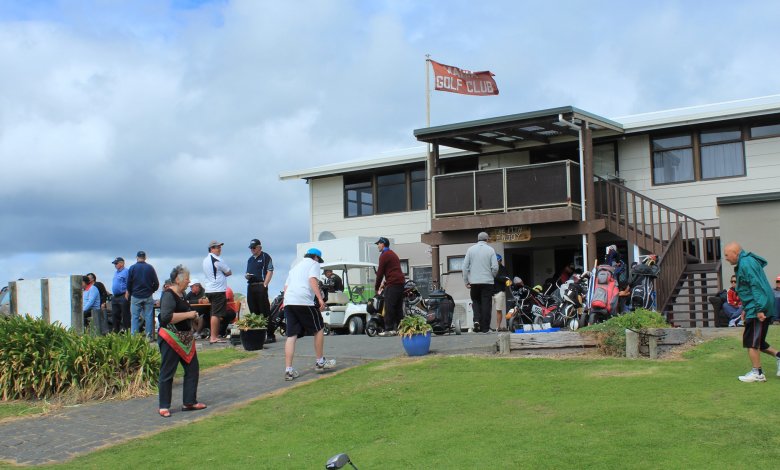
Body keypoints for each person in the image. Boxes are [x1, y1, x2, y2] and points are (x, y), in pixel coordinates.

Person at [723, 242, 780, 383]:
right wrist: (746, 309)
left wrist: (759, 309)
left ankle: (758, 373)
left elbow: (756, 286)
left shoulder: (746, 263)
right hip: (756, 306)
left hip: (758, 307)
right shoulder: (747, 262)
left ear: (735, 253)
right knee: (758, 340)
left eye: (726, 255)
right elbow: (748, 288)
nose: (726, 258)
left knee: (752, 342)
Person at [157, 265, 205, 418]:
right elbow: (166, 317)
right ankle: (164, 406)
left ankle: (189, 402)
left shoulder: (183, 295)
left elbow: (186, 314)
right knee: (167, 372)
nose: (189, 282)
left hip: (186, 338)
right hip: (170, 338)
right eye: (187, 279)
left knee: (192, 369)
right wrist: (188, 314)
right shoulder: (168, 295)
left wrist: (194, 317)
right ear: (177, 280)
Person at [282, 248, 336, 381]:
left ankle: (288, 370)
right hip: (303, 300)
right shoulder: (314, 264)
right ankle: (320, 362)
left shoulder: (295, 267)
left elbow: (286, 287)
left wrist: (285, 302)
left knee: (291, 335)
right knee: (319, 328)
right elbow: (312, 280)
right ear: (316, 258)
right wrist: (320, 298)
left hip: (289, 301)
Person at [463, 232, 498, 333]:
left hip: (474, 282)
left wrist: (466, 280)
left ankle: (476, 320)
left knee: (476, 301)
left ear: (478, 239)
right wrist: (492, 276)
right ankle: (485, 328)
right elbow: (495, 267)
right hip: (487, 282)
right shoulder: (491, 250)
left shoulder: (470, 249)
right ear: (487, 239)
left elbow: (464, 267)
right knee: (486, 304)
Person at [202, 240, 232, 344]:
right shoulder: (217, 259)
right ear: (211, 249)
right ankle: (213, 337)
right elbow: (229, 272)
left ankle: (214, 335)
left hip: (210, 289)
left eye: (220, 247)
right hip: (217, 290)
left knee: (214, 313)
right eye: (217, 247)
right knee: (216, 314)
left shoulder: (205, 260)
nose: (219, 249)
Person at [374, 237, 405, 336]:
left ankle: (389, 329)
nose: (377, 246)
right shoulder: (393, 254)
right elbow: (393, 270)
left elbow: (380, 273)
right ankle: (401, 328)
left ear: (383, 244)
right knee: (398, 307)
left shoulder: (384, 255)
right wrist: (385, 282)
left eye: (378, 244)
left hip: (393, 283)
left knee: (389, 306)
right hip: (400, 283)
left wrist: (377, 287)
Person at [245, 239, 275, 342]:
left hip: (260, 285)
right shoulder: (250, 260)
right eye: (251, 248)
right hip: (251, 286)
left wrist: (265, 284)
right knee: (254, 311)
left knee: (264, 311)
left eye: (254, 247)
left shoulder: (265, 256)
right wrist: (247, 276)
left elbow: (270, 271)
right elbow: (248, 272)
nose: (252, 249)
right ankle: (258, 335)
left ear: (259, 247)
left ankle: (270, 335)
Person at [127, 250, 160, 339]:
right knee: (149, 316)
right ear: (145, 258)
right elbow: (156, 283)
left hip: (136, 295)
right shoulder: (150, 268)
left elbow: (129, 283)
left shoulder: (132, 268)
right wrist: (152, 291)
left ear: (137, 257)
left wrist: (131, 292)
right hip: (148, 295)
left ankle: (134, 338)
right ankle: (149, 337)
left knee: (135, 317)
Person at [111, 257, 131, 332]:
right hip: (115, 296)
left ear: (122, 263)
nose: (115, 265)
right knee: (115, 314)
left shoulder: (126, 271)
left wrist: (127, 293)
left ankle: (127, 331)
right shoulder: (116, 272)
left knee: (125, 314)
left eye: (116, 263)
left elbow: (129, 283)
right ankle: (115, 331)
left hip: (123, 295)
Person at [493, 254, 510, 331]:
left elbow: (506, 279)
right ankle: (486, 326)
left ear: (500, 261)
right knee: (486, 309)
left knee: (498, 310)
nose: (496, 262)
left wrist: (496, 277)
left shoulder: (503, 269)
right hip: (490, 292)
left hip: (500, 291)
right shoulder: (490, 268)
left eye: (497, 260)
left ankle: (498, 327)